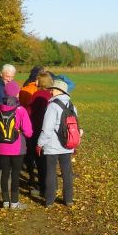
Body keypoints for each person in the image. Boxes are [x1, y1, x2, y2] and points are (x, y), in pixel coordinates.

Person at [0, 81, 33, 209]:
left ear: (5, 92)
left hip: (2, 148)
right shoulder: (21, 110)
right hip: (18, 148)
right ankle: (14, 202)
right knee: (15, 174)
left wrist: (0, 139)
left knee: (4, 174)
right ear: (17, 93)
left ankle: (5, 201)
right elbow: (29, 132)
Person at [37, 79, 81, 207]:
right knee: (67, 173)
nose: (51, 91)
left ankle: (50, 201)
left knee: (50, 172)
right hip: (67, 144)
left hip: (52, 146)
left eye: (53, 89)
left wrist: (39, 144)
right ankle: (68, 200)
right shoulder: (72, 105)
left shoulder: (52, 106)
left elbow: (47, 129)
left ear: (59, 91)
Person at [27, 71, 54, 197]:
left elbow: (29, 113)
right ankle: (52, 186)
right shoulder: (52, 94)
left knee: (41, 161)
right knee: (51, 161)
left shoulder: (37, 95)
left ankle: (43, 188)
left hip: (38, 130)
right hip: (52, 133)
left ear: (41, 82)